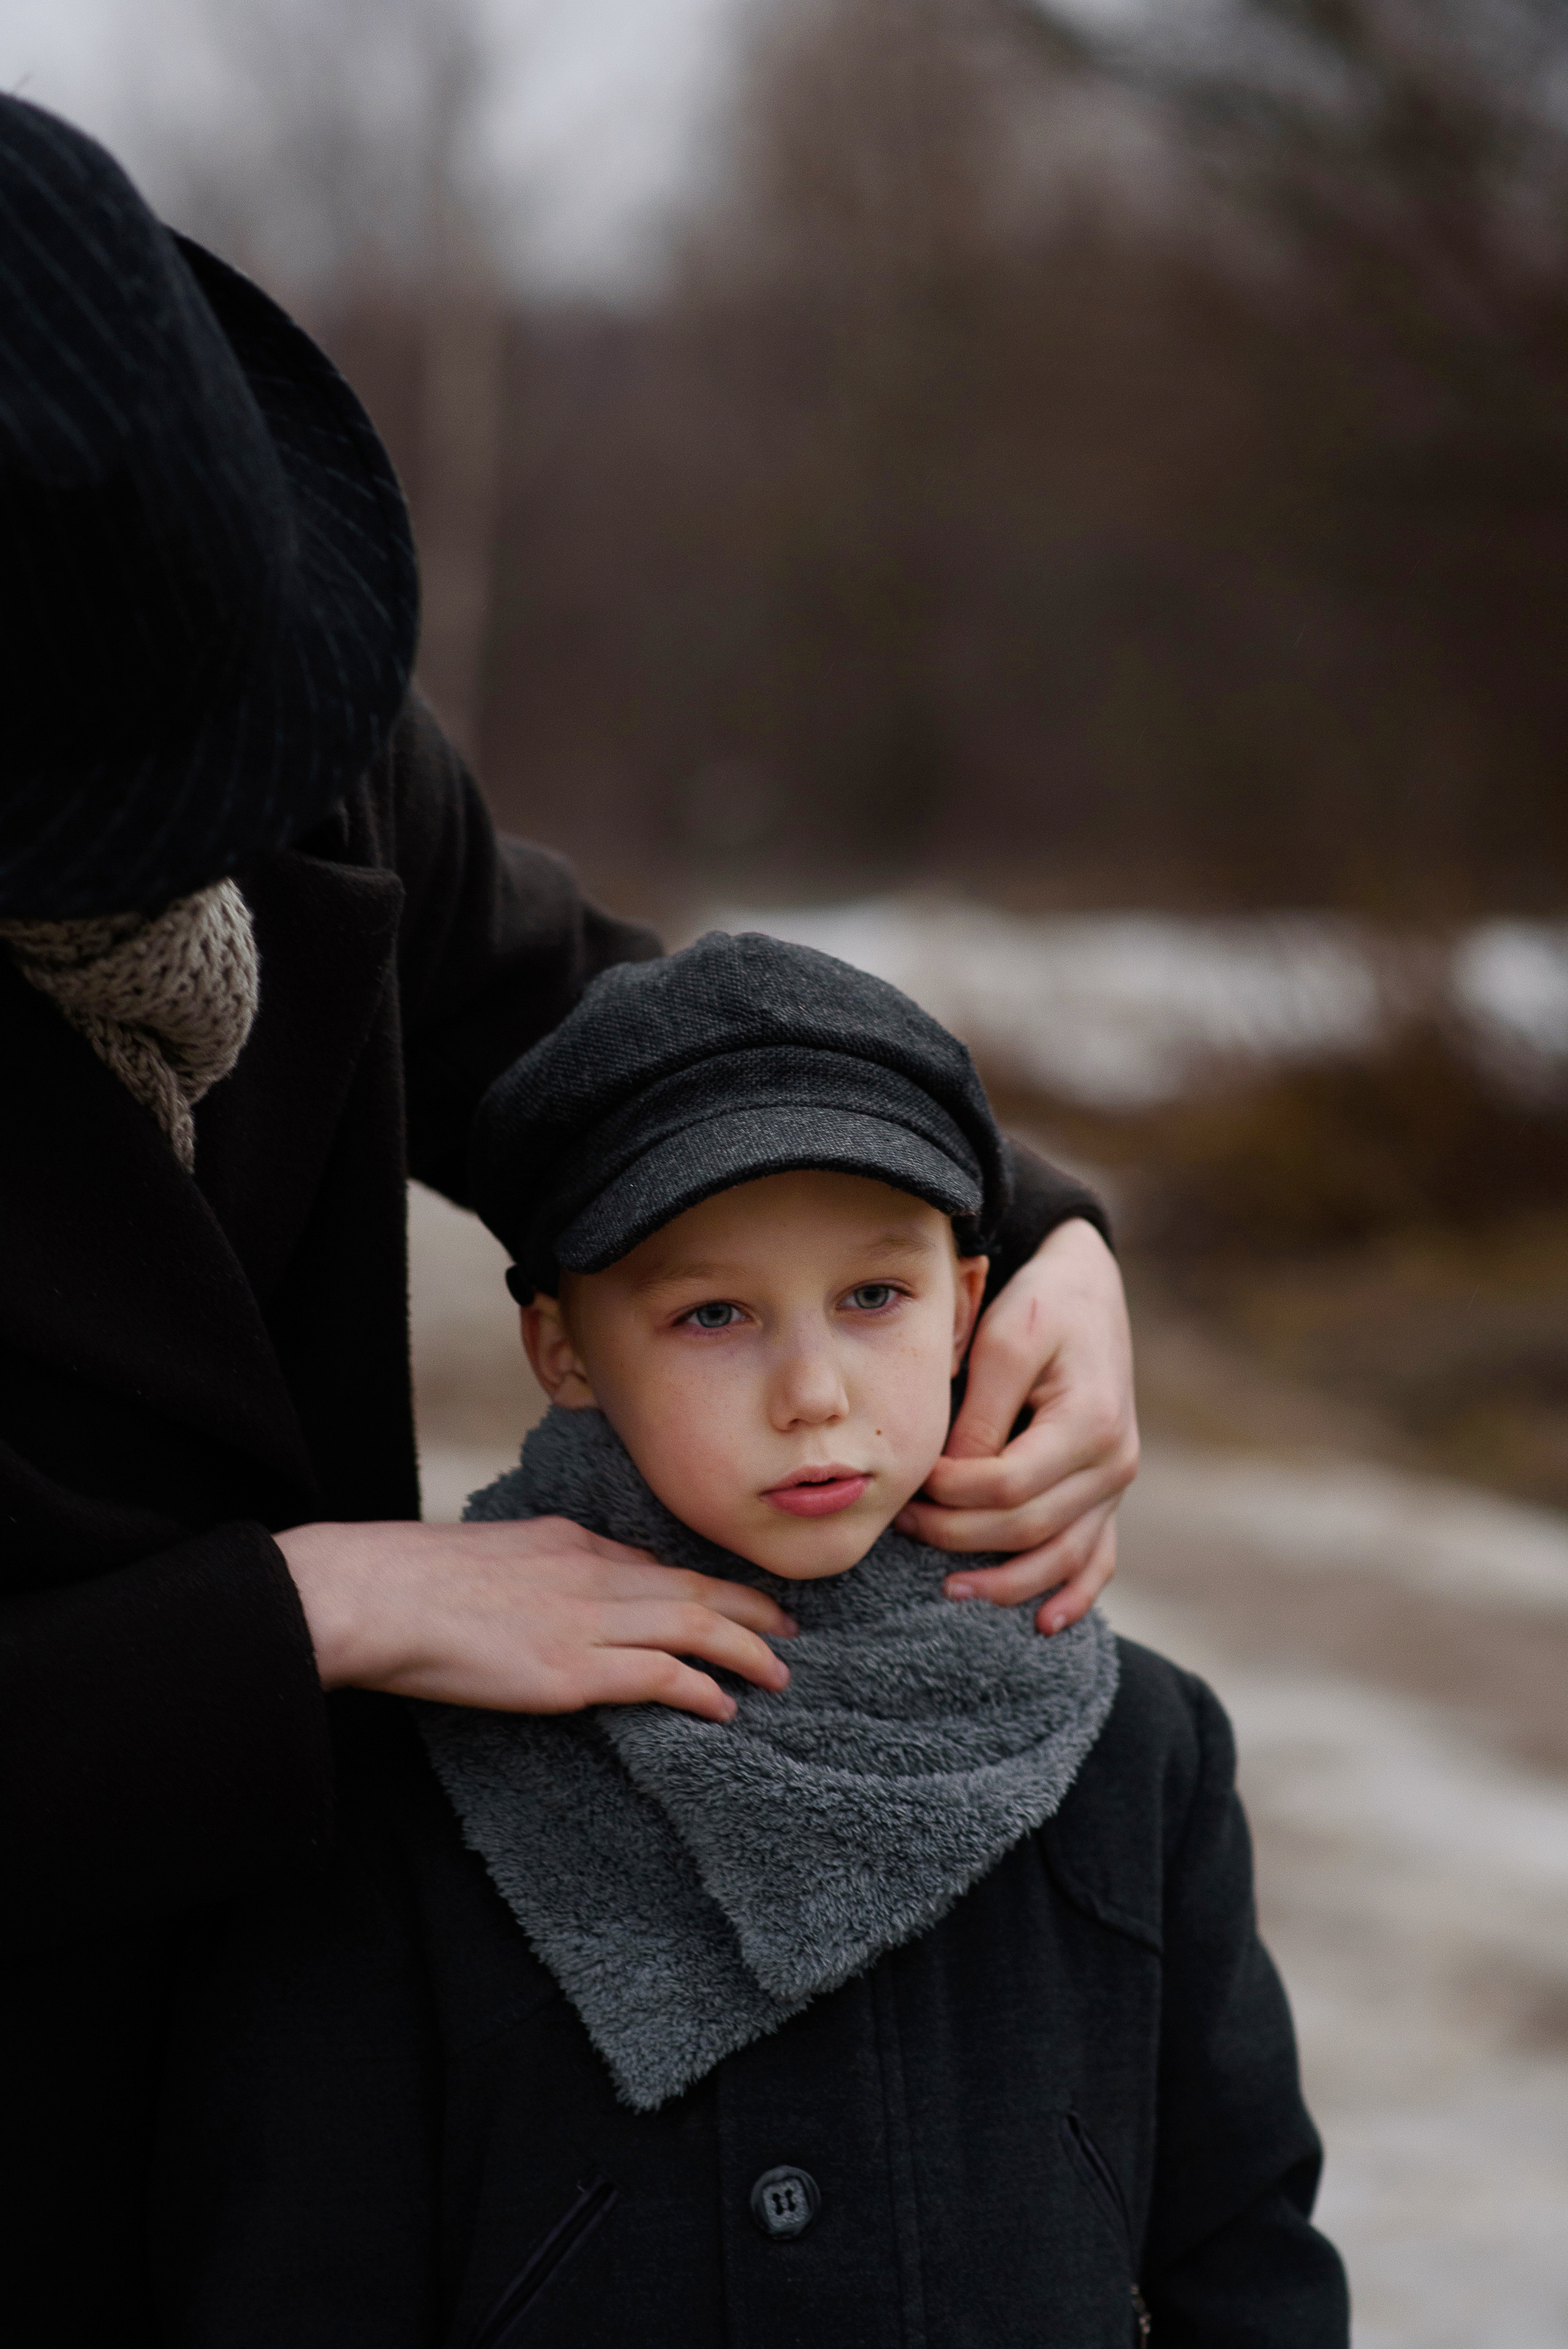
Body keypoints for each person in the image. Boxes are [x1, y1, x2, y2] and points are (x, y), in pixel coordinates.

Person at [0, 99, 1139, 2345]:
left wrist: (1031, 1217)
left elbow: (589, 1025)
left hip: (285, 2037)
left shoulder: (259, 699)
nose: (215, 827)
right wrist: (306, 1608)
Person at [155, 932, 1348, 2348]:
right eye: (712, 1313)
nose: (812, 1393)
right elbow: (292, 2283)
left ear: (968, 1301)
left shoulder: (1133, 1742)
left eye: (873, 1298)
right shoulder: (402, 1767)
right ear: (565, 1350)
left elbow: (1245, 2255)